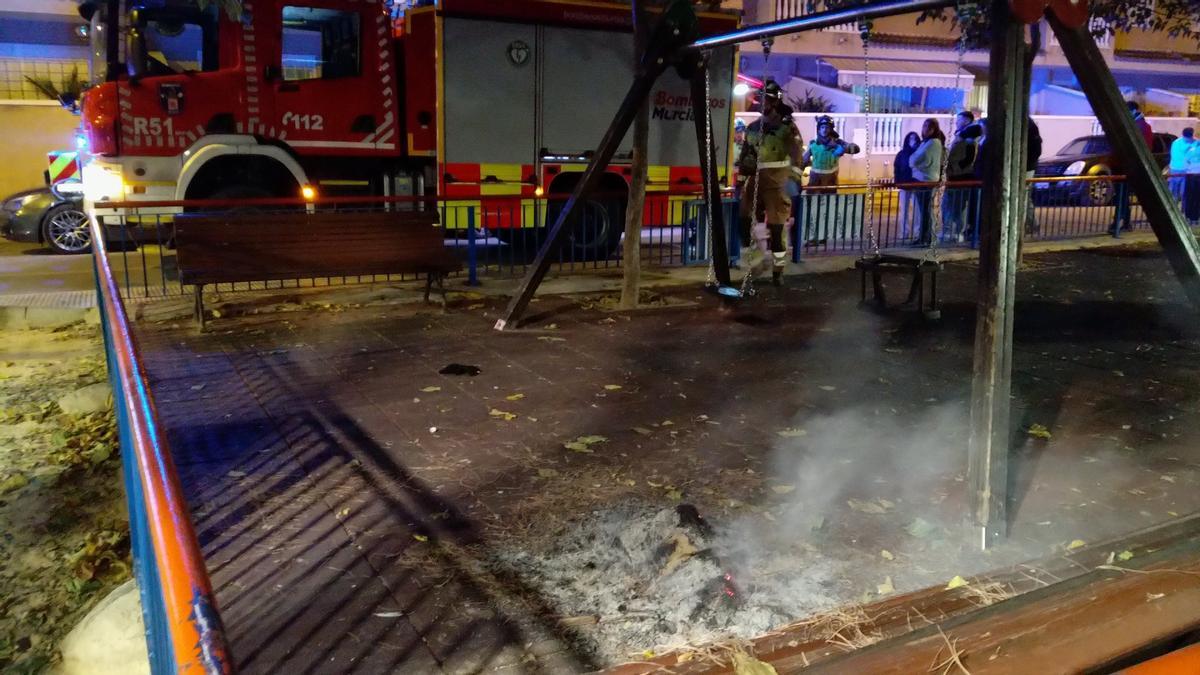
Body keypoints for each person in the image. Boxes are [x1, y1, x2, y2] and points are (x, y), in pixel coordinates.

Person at [736, 80, 804, 286]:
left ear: (775, 102)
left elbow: (797, 155)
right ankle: (755, 260)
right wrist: (741, 179)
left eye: (767, 99)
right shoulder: (753, 127)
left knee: (776, 229)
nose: (763, 103)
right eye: (761, 99)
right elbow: (746, 154)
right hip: (756, 178)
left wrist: (793, 179)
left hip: (778, 179)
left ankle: (778, 271)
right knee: (743, 220)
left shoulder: (787, 127)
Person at [942, 111, 978, 242]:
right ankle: (950, 232)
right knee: (949, 205)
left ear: (967, 121)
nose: (956, 122)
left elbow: (968, 160)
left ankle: (957, 233)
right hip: (954, 177)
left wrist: (955, 168)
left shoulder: (969, 140)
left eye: (959, 120)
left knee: (958, 207)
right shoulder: (961, 137)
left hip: (961, 178)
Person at [909, 118, 945, 246]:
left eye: (929, 127)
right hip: (921, 180)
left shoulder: (933, 143)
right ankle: (923, 237)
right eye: (924, 126)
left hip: (926, 180)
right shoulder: (926, 142)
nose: (925, 129)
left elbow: (917, 159)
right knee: (923, 210)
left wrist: (913, 162)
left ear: (934, 129)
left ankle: (927, 237)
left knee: (926, 211)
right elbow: (914, 159)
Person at [893, 131, 921, 242]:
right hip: (904, 184)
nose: (912, 140)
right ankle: (904, 232)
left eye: (915, 138)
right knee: (903, 210)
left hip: (916, 184)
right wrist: (898, 181)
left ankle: (917, 231)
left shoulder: (919, 152)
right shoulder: (902, 154)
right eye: (910, 138)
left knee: (917, 211)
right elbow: (897, 167)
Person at [1169, 127, 1195, 204]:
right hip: (1184, 171)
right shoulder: (1192, 143)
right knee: (1184, 192)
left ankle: (1172, 208)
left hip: (1174, 169)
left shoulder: (1176, 143)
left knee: (1174, 192)